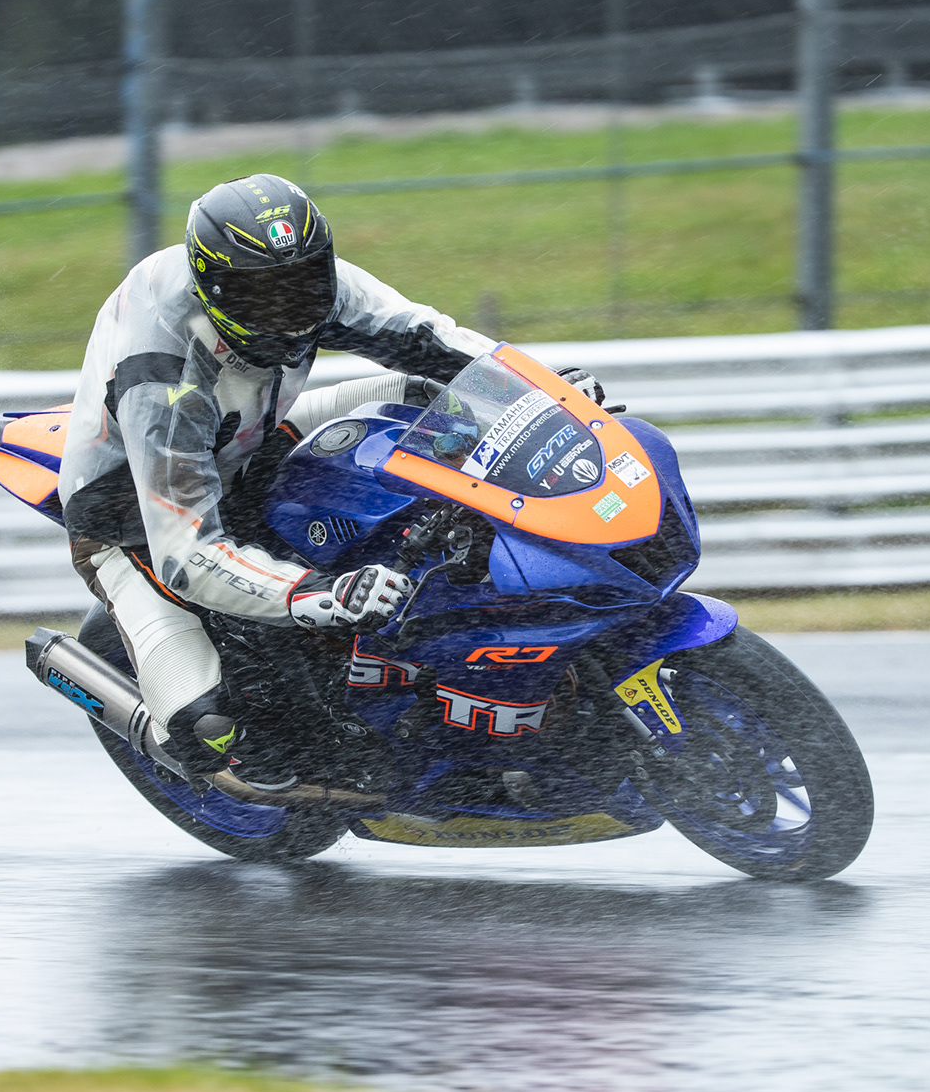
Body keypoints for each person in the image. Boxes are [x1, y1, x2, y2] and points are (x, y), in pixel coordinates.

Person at [56, 172, 599, 785]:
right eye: (264, 298)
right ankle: (175, 726)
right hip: (130, 516)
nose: (290, 313)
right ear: (213, 287)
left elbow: (424, 334)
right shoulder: (164, 380)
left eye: (305, 284)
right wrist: (323, 595)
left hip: (252, 442)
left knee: (432, 396)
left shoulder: (310, 283)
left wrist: (543, 390)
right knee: (208, 731)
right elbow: (186, 553)